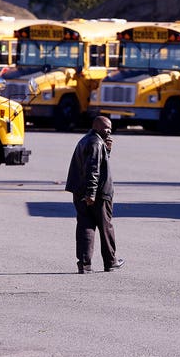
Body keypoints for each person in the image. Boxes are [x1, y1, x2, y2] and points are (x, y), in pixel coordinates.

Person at [65, 116, 123, 273]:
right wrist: (91, 193)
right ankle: (110, 261)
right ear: (96, 126)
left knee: (85, 226)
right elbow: (93, 169)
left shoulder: (87, 140)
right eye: (105, 127)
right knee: (106, 228)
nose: (109, 130)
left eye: (110, 127)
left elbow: (95, 164)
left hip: (80, 191)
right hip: (97, 194)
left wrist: (107, 150)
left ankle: (84, 264)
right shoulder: (95, 143)